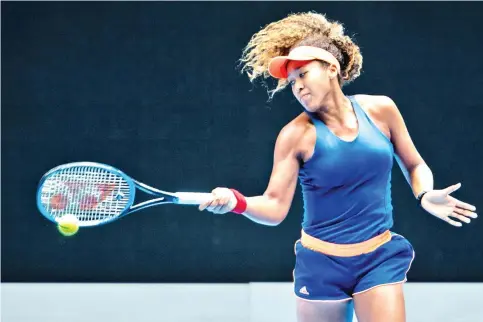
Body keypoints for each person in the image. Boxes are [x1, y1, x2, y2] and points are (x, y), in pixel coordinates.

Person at [198, 11, 477, 322]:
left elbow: (414, 165)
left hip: (378, 258)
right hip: (321, 264)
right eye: (292, 81)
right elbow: (275, 207)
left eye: (303, 74)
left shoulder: (381, 110)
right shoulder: (295, 136)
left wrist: (425, 194)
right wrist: (237, 201)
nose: (297, 87)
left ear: (331, 68)